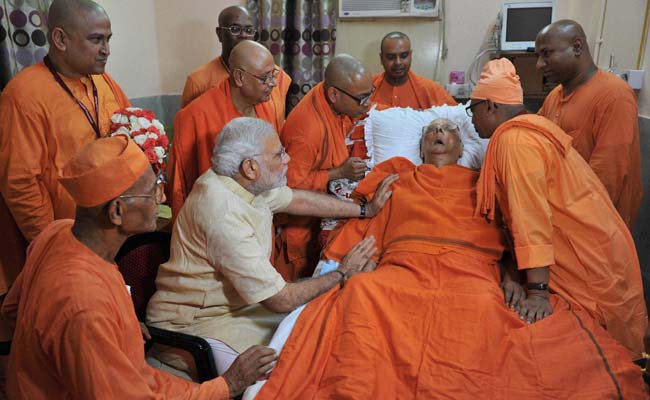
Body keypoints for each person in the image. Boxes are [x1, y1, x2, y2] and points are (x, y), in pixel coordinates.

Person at [252, 119, 647, 400]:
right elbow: (369, 221)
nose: (439, 135)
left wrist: (510, 275)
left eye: (448, 130)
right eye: (431, 132)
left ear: (462, 146)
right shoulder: (398, 176)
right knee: (364, 292)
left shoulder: (484, 182)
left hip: (468, 274)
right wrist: (350, 260)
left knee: (484, 310)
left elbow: (515, 232)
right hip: (403, 272)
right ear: (422, 147)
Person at [1, 135, 279, 399]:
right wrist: (227, 385)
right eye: (152, 192)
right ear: (117, 211)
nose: (161, 198)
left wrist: (118, 325)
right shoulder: (84, 303)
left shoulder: (57, 233)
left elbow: (11, 312)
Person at [147, 117, 397, 376]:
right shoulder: (221, 212)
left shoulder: (242, 180)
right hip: (195, 324)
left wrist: (365, 210)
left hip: (239, 308)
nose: (288, 159)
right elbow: (280, 299)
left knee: (316, 327)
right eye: (279, 154)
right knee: (299, 366)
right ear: (250, 167)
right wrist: (341, 274)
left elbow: (296, 200)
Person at [470, 58, 646, 359]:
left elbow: (530, 218)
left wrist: (537, 291)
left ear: (489, 106)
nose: (470, 122)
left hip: (590, 264)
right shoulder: (533, 128)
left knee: (613, 357)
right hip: (600, 249)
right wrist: (514, 271)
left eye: (470, 111)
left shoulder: (515, 142)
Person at [0, 0, 130, 304]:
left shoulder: (105, 84)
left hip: (109, 234)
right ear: (60, 39)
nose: (106, 49)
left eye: (108, 39)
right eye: (96, 39)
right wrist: (56, 245)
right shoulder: (23, 96)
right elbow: (20, 184)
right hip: (64, 245)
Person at [535, 19, 641, 227]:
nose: (539, 64)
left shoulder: (614, 95)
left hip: (597, 226)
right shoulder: (555, 96)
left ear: (577, 47)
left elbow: (607, 179)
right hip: (561, 216)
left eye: (546, 53)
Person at [278, 54, 375, 280]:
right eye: (362, 99)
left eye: (370, 93)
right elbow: (291, 187)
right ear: (334, 94)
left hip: (321, 208)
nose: (368, 104)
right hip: (299, 224)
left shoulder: (334, 99)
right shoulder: (309, 129)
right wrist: (339, 173)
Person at [169, 40, 291, 216]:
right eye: (265, 77)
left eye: (274, 74)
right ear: (240, 77)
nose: (273, 83)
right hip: (217, 217)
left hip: (262, 210)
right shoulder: (195, 115)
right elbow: (180, 185)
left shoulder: (268, 105)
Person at [180, 5, 290, 109]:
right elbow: (187, 123)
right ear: (219, 34)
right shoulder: (198, 81)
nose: (243, 35)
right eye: (235, 29)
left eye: (248, 30)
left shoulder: (277, 77)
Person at [371, 32, 456, 109]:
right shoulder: (368, 88)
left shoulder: (430, 89)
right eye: (390, 57)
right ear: (381, 58)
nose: (398, 62)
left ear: (410, 55)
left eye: (404, 56)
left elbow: (457, 118)